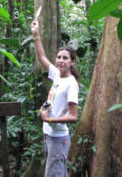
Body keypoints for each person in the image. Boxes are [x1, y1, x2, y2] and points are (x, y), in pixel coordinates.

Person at [30, 19, 79, 177]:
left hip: (58, 138)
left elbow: (73, 116)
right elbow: (42, 57)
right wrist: (36, 34)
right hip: (49, 134)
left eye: (65, 58)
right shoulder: (57, 75)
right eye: (59, 57)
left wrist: (49, 120)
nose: (60, 61)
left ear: (72, 62)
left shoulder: (71, 84)